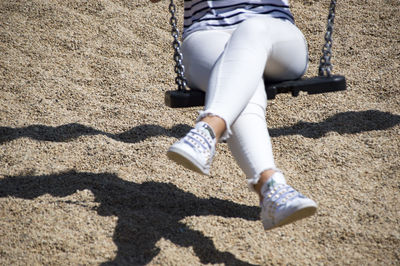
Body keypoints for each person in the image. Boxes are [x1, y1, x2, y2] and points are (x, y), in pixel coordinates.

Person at [152, 0, 317, 230]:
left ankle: (210, 128)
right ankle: (271, 186)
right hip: (208, 34)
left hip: (275, 34)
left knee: (252, 28)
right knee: (240, 83)